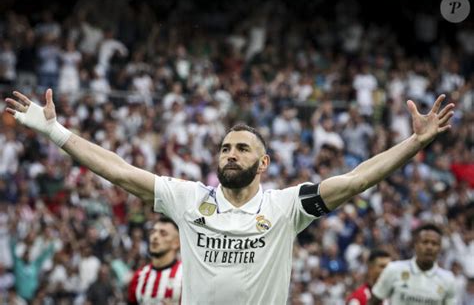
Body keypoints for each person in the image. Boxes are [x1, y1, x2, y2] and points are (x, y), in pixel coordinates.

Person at [5, 89, 455, 304]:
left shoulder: (286, 205)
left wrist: (414, 144)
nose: (231, 154)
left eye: (242, 148)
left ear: (264, 163)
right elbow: (120, 171)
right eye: (225, 148)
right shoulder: (188, 198)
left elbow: (356, 180)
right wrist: (57, 132)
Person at [368, 224, 457, 305]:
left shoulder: (448, 279)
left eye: (434, 243)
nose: (429, 247)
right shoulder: (394, 269)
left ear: (440, 248)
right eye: (425, 242)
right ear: (415, 244)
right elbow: (373, 301)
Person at [128, 216, 182, 304]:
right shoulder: (139, 276)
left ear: (176, 243)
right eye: (153, 232)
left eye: (163, 233)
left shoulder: (186, 276)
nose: (155, 236)